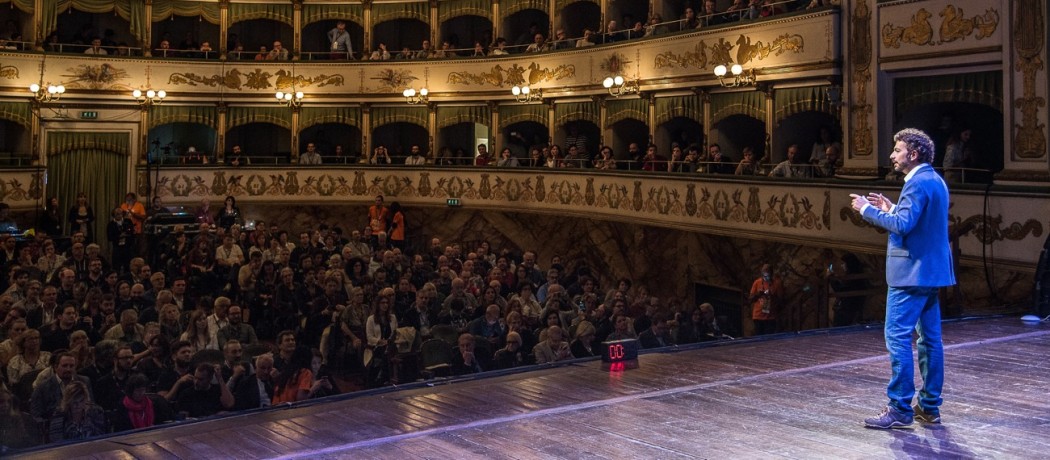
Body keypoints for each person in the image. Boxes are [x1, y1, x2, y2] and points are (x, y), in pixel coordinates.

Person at [851, 128, 954, 429]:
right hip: (931, 273)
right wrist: (892, 208)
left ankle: (899, 408)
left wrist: (868, 210)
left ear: (913, 154)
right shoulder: (934, 180)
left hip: (910, 274)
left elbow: (904, 227)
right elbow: (917, 221)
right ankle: (929, 407)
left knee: (897, 338)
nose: (892, 156)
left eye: (897, 151)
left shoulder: (916, 183)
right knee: (930, 341)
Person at [748, 263, 782, 335]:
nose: (765, 274)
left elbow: (780, 300)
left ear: (771, 273)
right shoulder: (757, 282)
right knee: (759, 339)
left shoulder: (776, 283)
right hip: (758, 316)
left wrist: (771, 297)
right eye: (763, 272)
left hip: (770, 317)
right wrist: (758, 294)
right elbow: (750, 299)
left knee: (768, 339)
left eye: (767, 272)